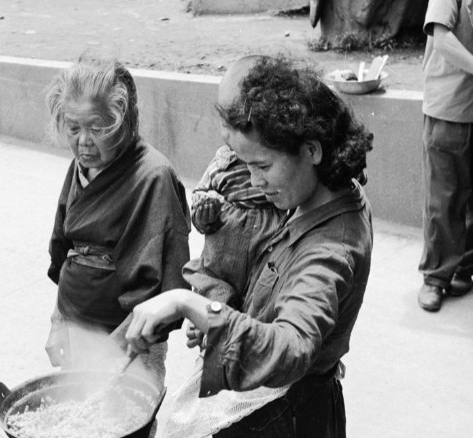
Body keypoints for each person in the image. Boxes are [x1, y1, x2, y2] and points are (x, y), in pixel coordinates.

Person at [125, 56, 373, 437]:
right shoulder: (316, 191)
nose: (255, 182)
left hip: (288, 415)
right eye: (245, 167)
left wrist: (186, 301)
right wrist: (217, 316)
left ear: (311, 150)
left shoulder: (330, 249)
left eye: (263, 166)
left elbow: (291, 346)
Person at [44, 52, 191, 383]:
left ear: (125, 119)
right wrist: (58, 324)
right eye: (73, 128)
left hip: (131, 340)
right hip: (76, 326)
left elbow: (162, 290)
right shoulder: (82, 165)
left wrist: (109, 356)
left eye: (98, 127)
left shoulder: (153, 177)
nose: (84, 141)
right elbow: (67, 252)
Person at [182, 55, 283, 310]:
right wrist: (205, 215)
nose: (226, 132)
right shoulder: (223, 160)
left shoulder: (279, 162)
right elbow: (202, 194)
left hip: (264, 268)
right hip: (222, 266)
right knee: (211, 298)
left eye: (235, 122)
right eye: (222, 121)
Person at [417, 0, 473, 311]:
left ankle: (464, 267)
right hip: (448, 109)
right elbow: (441, 39)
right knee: (443, 198)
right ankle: (436, 278)